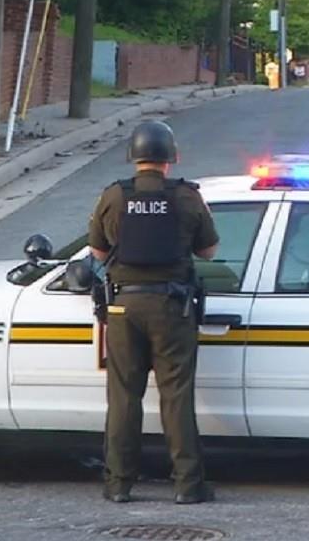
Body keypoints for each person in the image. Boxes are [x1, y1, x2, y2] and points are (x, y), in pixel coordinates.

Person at [88, 120, 220, 505]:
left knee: (124, 398)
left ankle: (118, 484)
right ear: (172, 158)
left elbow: (97, 254)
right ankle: (188, 486)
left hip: (123, 308)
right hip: (171, 307)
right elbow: (208, 251)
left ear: (133, 157)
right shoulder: (187, 197)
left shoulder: (114, 196)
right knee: (176, 396)